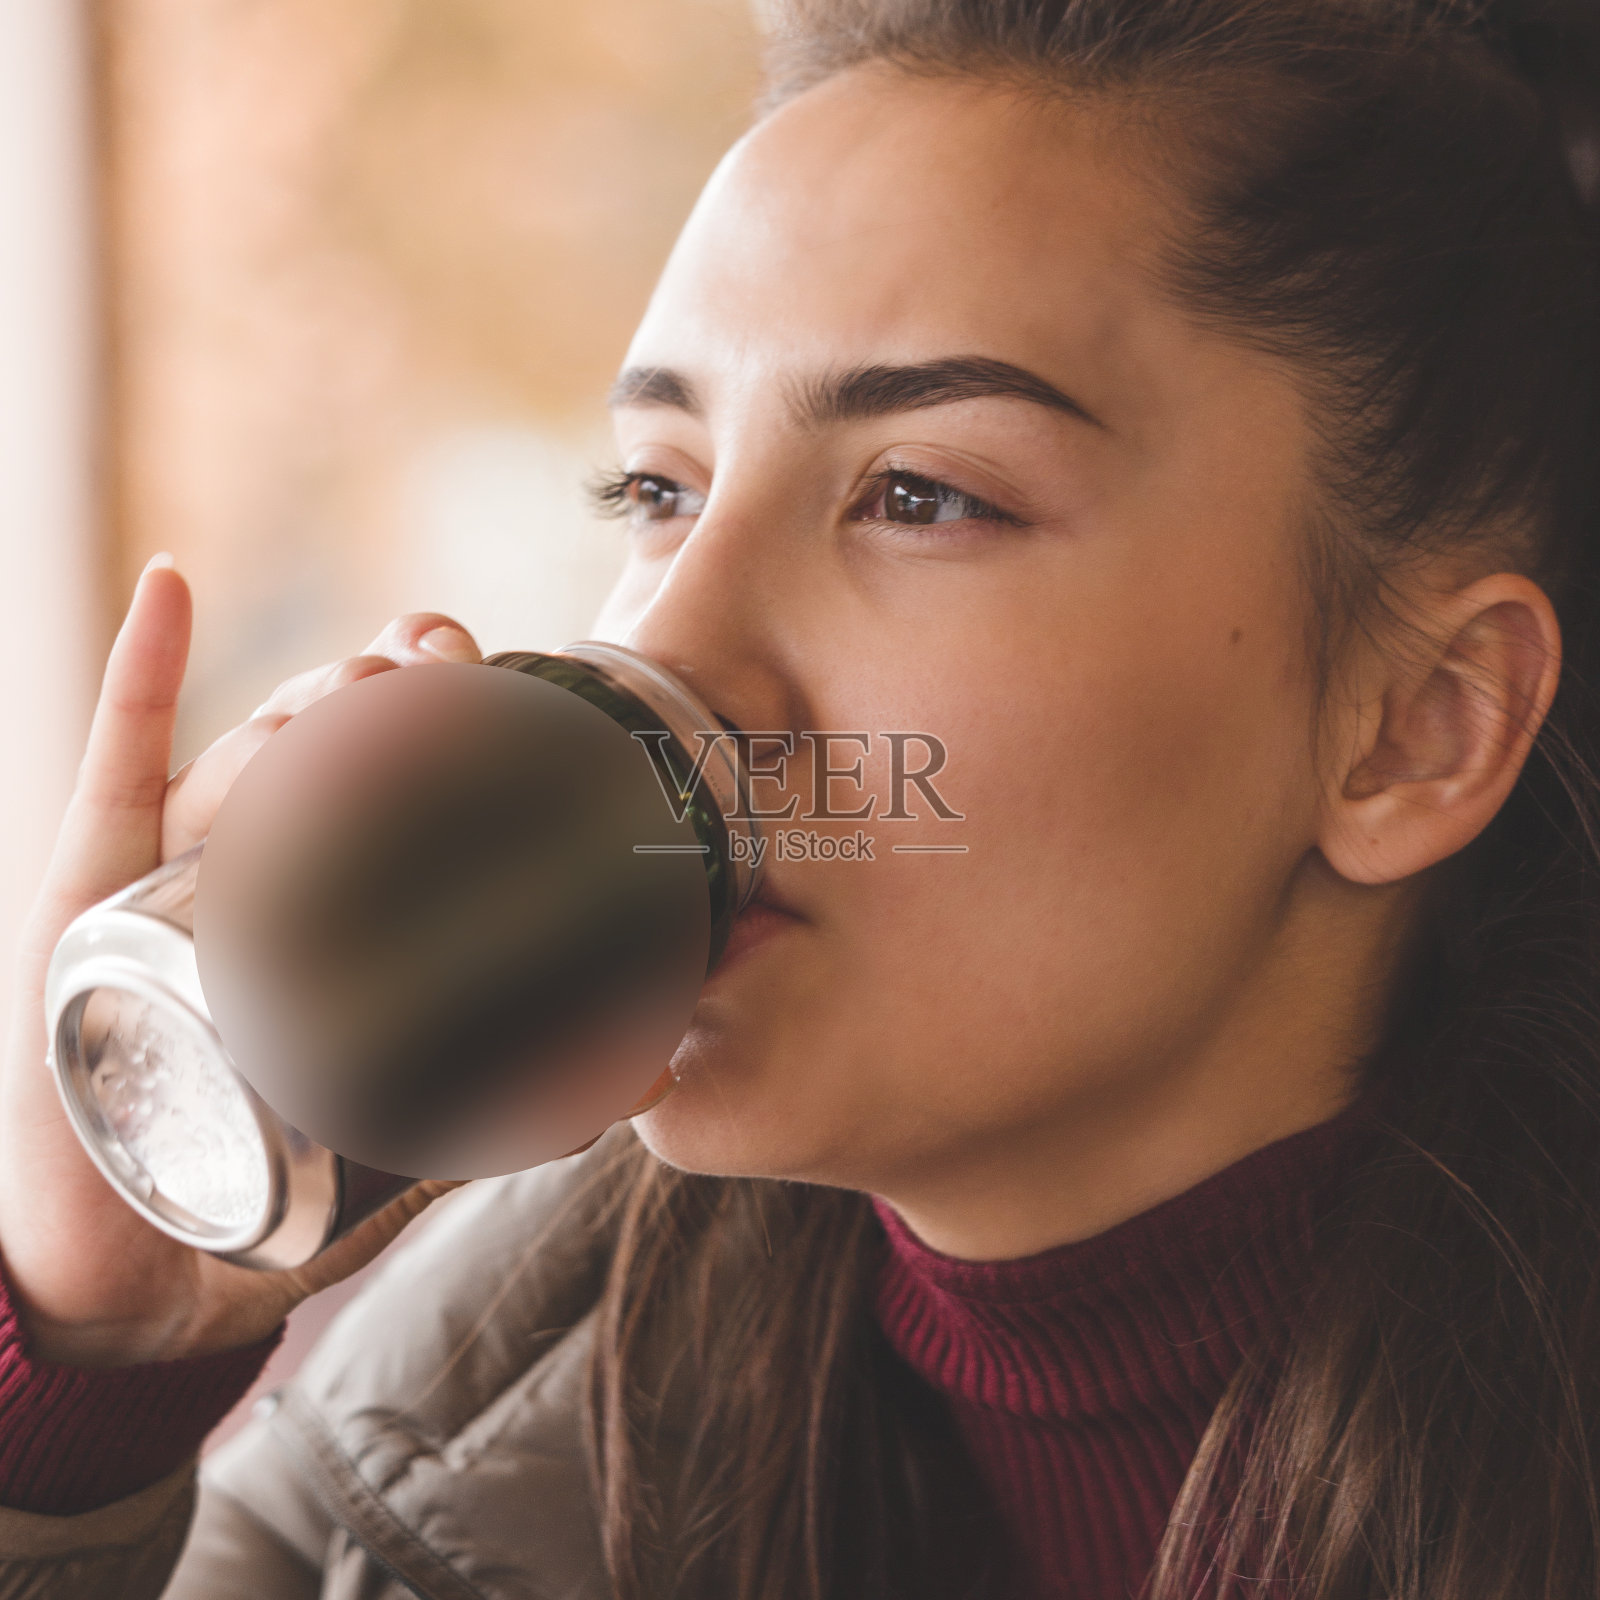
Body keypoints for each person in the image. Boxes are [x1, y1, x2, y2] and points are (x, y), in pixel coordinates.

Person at [3, 0, 1600, 1595]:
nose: (670, 647)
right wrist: (85, 1377)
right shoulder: (444, 1456)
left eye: (922, 496)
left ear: (1415, 728)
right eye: (659, 489)